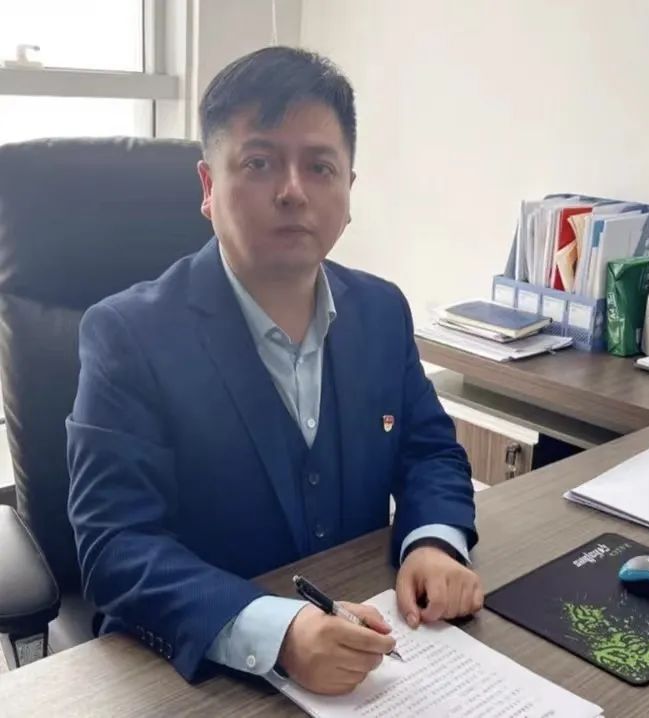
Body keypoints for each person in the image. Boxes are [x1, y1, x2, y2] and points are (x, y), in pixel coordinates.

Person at [67, 46, 483, 696]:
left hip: (374, 655)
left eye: (320, 166)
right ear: (208, 187)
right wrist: (276, 631)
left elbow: (428, 451)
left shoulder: (381, 311)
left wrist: (432, 541)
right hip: (197, 678)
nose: (293, 191)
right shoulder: (127, 335)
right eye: (259, 163)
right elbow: (115, 545)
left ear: (349, 189)